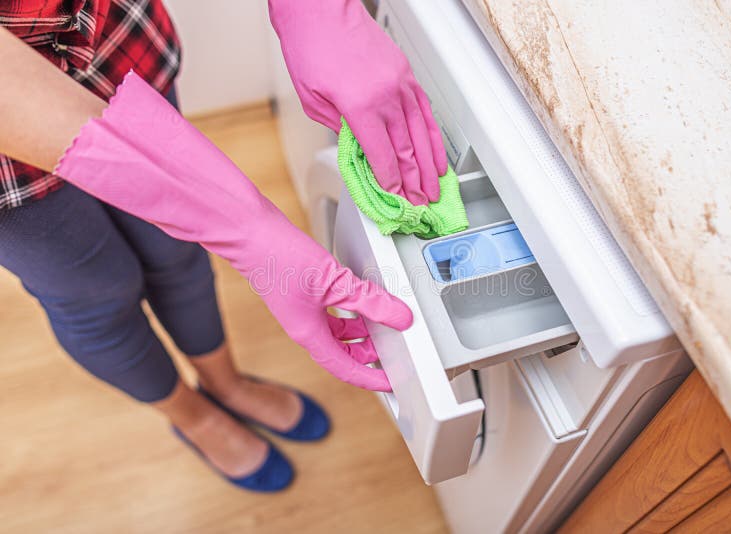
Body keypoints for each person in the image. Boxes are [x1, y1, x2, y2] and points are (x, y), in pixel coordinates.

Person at [0, 0, 447, 492]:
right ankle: (191, 415)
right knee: (95, 294)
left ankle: (225, 384)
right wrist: (249, 230)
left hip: (104, 41)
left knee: (175, 253)